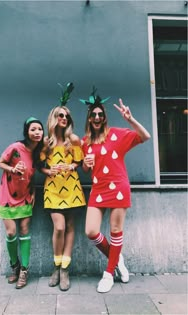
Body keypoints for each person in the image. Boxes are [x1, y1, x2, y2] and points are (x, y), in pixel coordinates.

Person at [80, 89, 151, 293]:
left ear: (104, 118)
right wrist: (85, 163)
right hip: (98, 189)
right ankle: (116, 257)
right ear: (89, 118)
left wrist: (130, 119)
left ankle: (109, 274)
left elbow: (145, 136)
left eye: (100, 114)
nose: (97, 117)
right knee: (91, 231)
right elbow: (86, 168)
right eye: (93, 115)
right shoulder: (85, 142)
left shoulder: (117, 135)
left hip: (118, 187)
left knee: (115, 230)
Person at [40, 83, 86, 291]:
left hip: (71, 187)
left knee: (70, 227)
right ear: (53, 118)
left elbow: (80, 163)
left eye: (66, 116)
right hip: (52, 187)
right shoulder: (46, 141)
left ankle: (65, 268)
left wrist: (71, 164)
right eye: (60, 115)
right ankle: (56, 265)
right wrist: (47, 171)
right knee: (58, 227)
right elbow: (39, 164)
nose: (64, 119)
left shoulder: (73, 139)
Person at [0, 117, 44, 289]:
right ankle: (14, 266)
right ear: (27, 132)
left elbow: (33, 175)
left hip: (25, 196)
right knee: (11, 233)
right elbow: (0, 163)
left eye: (39, 129)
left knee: (24, 230)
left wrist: (34, 192)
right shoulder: (15, 147)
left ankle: (24, 270)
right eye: (33, 129)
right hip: (7, 195)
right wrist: (13, 169)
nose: (37, 132)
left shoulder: (38, 152)